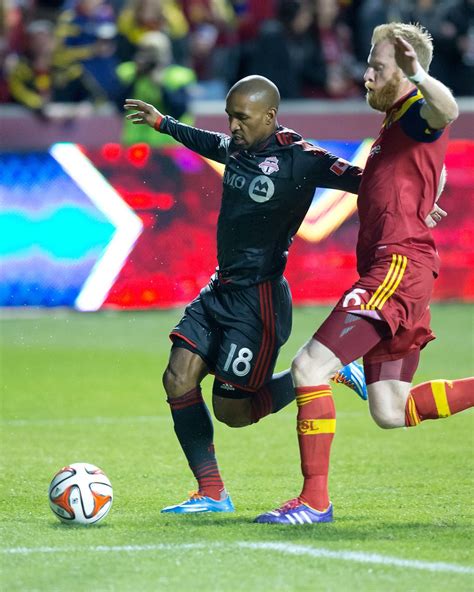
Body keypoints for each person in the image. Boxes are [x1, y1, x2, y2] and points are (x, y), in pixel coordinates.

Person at [255, 22, 473, 526]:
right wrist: (422, 200)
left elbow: (448, 111)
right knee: (390, 411)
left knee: (310, 367)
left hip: (396, 267)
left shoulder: (418, 112)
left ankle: (313, 502)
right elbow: (414, 174)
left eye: (377, 67)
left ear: (406, 70)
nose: (366, 77)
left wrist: (419, 77)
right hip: (405, 268)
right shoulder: (394, 128)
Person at [124, 75, 368, 514]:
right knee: (176, 377)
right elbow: (211, 143)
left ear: (271, 116)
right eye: (229, 116)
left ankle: (328, 372)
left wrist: (417, 196)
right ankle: (212, 492)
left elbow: (361, 180)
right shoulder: (238, 145)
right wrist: (163, 123)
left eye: (242, 118)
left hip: (259, 304)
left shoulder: (301, 158)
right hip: (220, 290)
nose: (233, 126)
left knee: (233, 413)